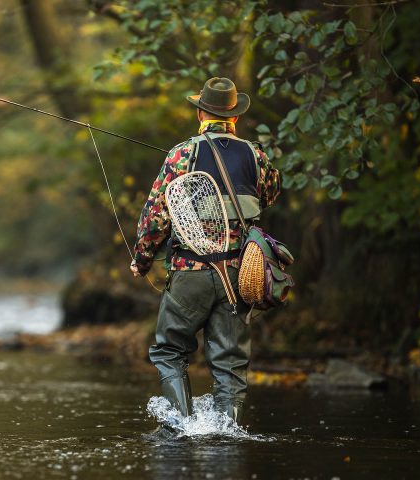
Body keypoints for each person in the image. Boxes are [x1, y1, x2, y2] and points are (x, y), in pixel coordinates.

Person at [130, 77, 281, 431]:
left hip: (190, 272)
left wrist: (142, 258)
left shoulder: (182, 154)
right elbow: (270, 193)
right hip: (239, 276)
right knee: (230, 363)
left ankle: (181, 430)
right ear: (235, 118)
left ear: (200, 112)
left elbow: (156, 215)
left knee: (170, 351)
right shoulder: (257, 155)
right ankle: (227, 437)